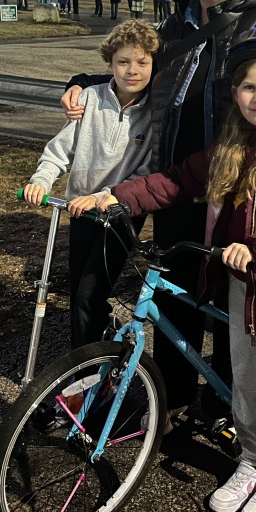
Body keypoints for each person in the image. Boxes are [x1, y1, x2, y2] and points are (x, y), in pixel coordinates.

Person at [61, 0, 256, 424]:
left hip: (239, 192)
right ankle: (173, 397)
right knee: (175, 298)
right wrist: (83, 84)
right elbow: (133, 71)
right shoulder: (176, 28)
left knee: (229, 304)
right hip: (178, 186)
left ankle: (225, 403)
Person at [99, 29, 256, 512]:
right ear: (235, 94)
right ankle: (250, 462)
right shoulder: (232, 145)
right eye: (249, 87)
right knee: (246, 387)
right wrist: (118, 197)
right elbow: (176, 180)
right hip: (241, 285)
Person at [23, 20, 158, 348]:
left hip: (120, 214)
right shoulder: (90, 99)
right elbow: (59, 149)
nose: (132, 70)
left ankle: (86, 374)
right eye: (123, 62)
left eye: (142, 62)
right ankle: (96, 352)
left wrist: (106, 196)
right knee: (79, 290)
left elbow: (146, 171)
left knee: (90, 292)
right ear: (109, 64)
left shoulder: (155, 113)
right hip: (80, 209)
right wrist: (41, 179)